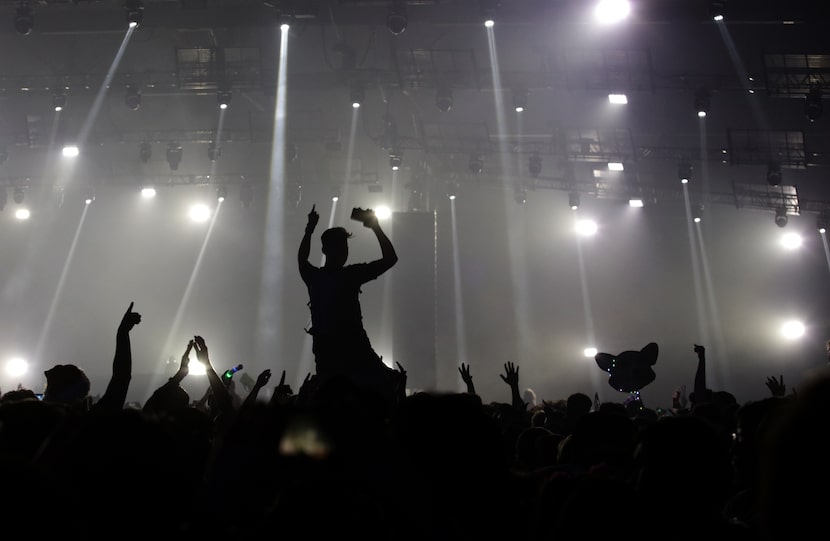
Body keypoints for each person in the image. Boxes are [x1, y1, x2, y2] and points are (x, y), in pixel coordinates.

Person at [298, 204, 400, 404]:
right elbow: (390, 258)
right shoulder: (349, 275)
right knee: (387, 385)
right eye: (342, 248)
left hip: (329, 353)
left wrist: (309, 229)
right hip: (352, 350)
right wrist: (375, 228)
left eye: (346, 248)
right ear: (327, 250)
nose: (345, 253)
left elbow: (301, 259)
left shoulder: (315, 277)